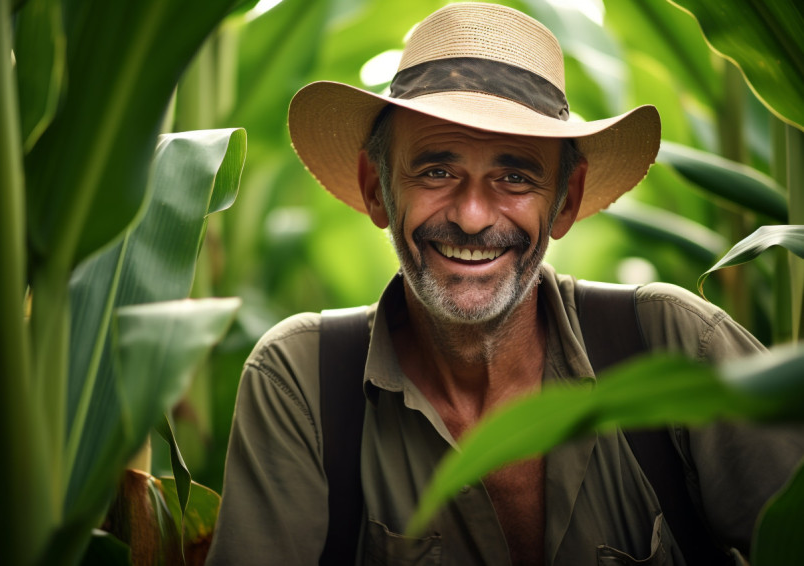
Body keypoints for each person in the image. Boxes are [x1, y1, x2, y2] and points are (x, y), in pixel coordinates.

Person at [206, 3, 803, 565]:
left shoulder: (678, 346)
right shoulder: (303, 381)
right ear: (375, 188)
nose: (471, 216)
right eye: (436, 170)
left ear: (565, 202)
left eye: (514, 176)